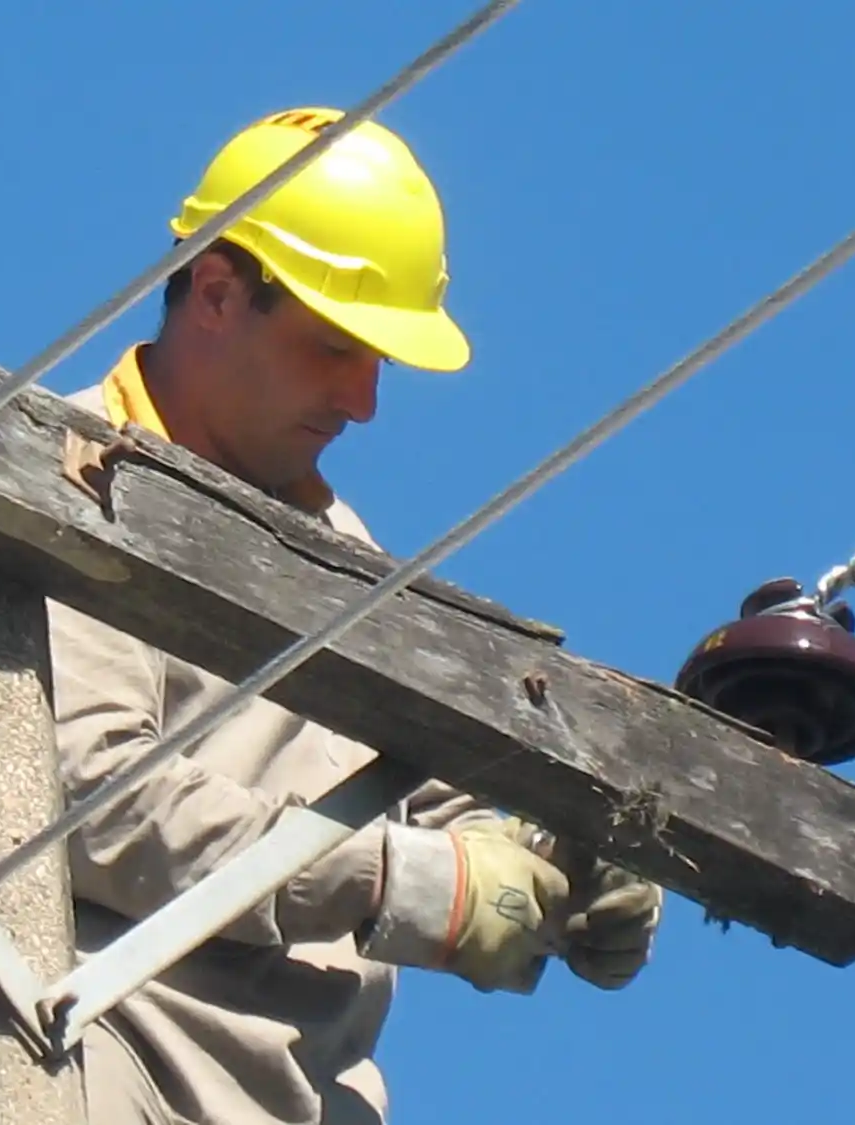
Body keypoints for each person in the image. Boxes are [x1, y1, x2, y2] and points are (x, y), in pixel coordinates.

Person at [46, 106, 664, 1125]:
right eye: (334, 348)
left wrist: (561, 866)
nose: (365, 402)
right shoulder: (64, 479)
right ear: (215, 290)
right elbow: (90, 798)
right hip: (100, 1063)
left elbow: (429, 798)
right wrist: (409, 886)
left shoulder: (343, 550)